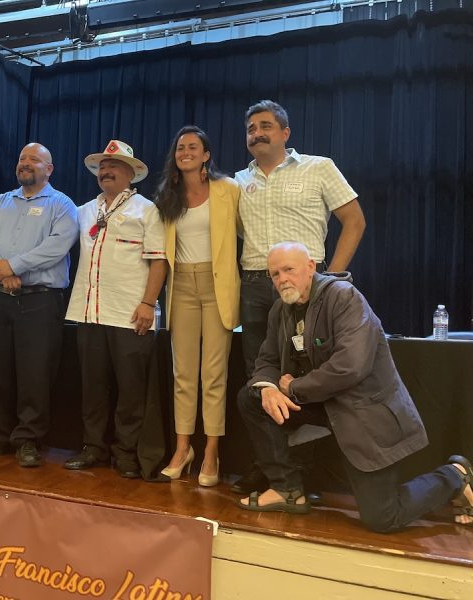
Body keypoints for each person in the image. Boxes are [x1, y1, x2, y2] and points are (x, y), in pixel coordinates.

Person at [237, 242, 473, 531]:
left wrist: (295, 388)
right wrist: (269, 389)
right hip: (323, 406)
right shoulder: (280, 311)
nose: (282, 279)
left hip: (362, 414)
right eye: (275, 274)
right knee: (251, 397)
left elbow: (351, 366)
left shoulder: (344, 298)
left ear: (311, 267)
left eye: (289, 270)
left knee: (383, 518)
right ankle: (288, 490)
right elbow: (267, 361)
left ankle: (454, 476)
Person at [233, 100, 366, 495]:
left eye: (266, 125)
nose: (257, 132)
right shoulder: (237, 182)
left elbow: (355, 221)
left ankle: (311, 469)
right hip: (256, 284)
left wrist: (333, 278)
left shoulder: (318, 167)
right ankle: (273, 469)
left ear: (285, 133)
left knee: (310, 377)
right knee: (261, 380)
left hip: (310, 285)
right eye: (251, 128)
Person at [64, 140, 167, 479]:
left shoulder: (147, 210)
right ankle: (93, 447)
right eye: (102, 167)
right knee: (92, 387)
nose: (105, 172)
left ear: (131, 173)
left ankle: (126, 452)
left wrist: (148, 303)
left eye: (114, 167)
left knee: (130, 390)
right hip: (88, 313)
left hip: (129, 314)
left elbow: (159, 262)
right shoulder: (82, 211)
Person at [0, 143, 78, 468]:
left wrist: (13, 266)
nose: (26, 164)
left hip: (41, 300)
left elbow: (57, 246)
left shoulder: (62, 205)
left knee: (35, 373)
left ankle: (29, 439)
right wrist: (1, 272)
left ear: (49, 169)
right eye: (22, 159)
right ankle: (0, 434)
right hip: (2, 298)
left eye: (35, 159)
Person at [155, 126, 241, 486]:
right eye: (180, 147)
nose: (185, 151)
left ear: (206, 155)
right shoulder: (167, 195)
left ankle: (211, 451)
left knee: (213, 375)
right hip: (182, 288)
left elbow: (246, 235)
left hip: (218, 285)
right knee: (183, 375)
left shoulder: (229, 191)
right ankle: (182, 447)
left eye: (193, 147)